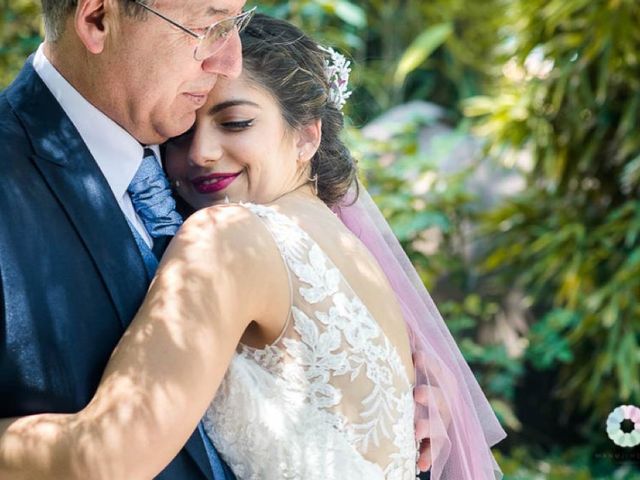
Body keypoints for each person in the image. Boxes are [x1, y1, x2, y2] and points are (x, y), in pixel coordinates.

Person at [0, 13, 505, 479]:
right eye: (180, 136)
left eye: (236, 123)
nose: (200, 152)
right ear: (96, 19)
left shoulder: (230, 236)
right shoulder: (348, 252)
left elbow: (108, 452)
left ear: (308, 136)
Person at [0, 0, 253, 478]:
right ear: (98, 20)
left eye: (235, 23)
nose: (229, 61)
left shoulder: (222, 149)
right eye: (206, 26)